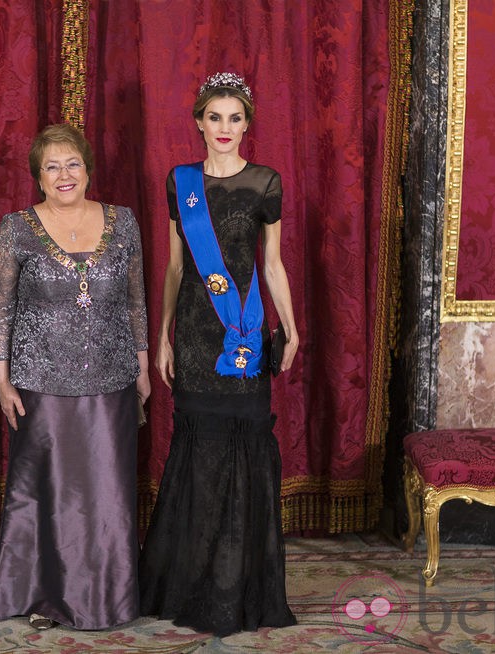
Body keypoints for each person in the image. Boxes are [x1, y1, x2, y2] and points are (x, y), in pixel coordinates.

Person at [138, 72, 299, 637]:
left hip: (245, 332)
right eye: (215, 117)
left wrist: (292, 328)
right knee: (197, 452)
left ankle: (239, 585)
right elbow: (177, 266)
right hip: (196, 334)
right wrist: (161, 336)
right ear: (199, 123)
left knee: (245, 447)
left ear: (247, 123)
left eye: (235, 118)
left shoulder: (265, 183)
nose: (224, 128)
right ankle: (190, 583)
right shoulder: (180, 182)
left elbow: (272, 264)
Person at [0, 123, 150, 631]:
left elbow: (136, 299)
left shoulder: (124, 222)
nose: (63, 174)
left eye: (72, 163)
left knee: (106, 494)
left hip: (112, 379)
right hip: (39, 385)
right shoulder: (16, 228)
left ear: (88, 169)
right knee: (49, 495)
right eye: (51, 166)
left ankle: (106, 598)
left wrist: (142, 368)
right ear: (37, 177)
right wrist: (1, 381)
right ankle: (44, 596)